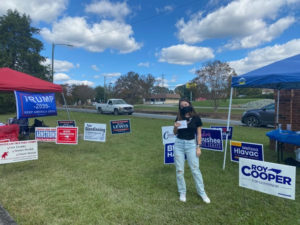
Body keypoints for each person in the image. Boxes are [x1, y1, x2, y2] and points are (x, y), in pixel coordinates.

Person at [173, 98, 210, 203]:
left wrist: (199, 147)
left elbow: (199, 134)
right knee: (179, 171)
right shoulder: (179, 117)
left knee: (195, 170)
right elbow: (175, 132)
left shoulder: (196, 118)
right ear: (180, 108)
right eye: (182, 106)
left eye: (186, 104)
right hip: (179, 144)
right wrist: (175, 127)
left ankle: (202, 192)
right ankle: (182, 192)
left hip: (191, 145)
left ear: (190, 104)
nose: (184, 106)